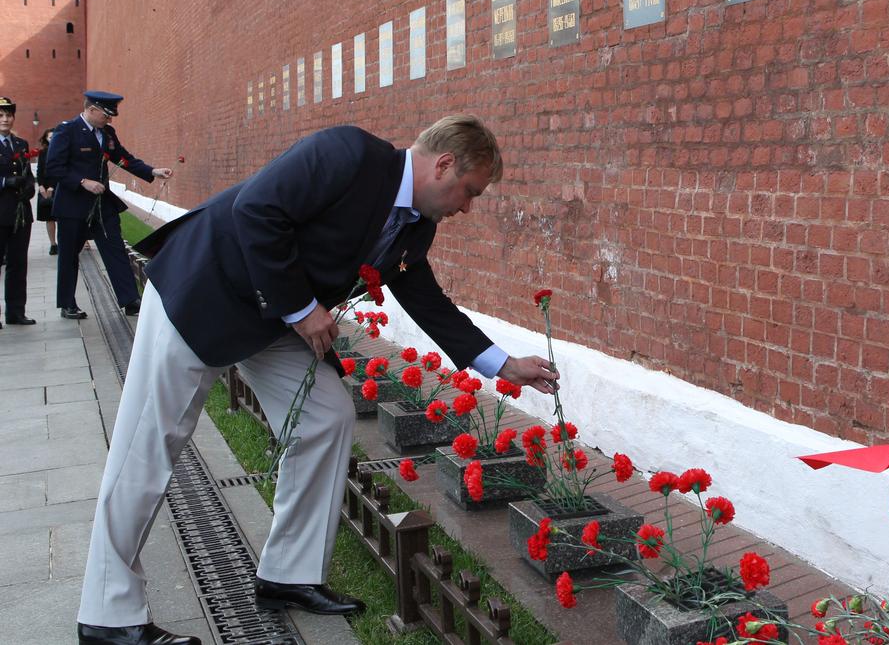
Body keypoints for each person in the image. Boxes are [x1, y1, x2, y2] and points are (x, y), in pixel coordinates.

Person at [76, 115, 559, 645]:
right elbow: (256, 210)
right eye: (470, 192)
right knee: (147, 446)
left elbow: (426, 300)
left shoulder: (416, 224)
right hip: (203, 293)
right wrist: (304, 310)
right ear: (444, 164)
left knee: (325, 415)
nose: (466, 208)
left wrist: (504, 365)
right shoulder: (348, 153)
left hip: (273, 317)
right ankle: (107, 616)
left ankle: (288, 575)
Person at [45, 90, 174, 320]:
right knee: (69, 255)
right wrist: (83, 182)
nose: (110, 120)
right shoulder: (67, 131)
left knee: (115, 250)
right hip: (73, 207)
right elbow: (53, 168)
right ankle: (67, 303)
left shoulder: (107, 133)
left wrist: (153, 171)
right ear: (91, 109)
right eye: (106, 115)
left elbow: (124, 159)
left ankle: (130, 300)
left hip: (102, 205)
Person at [0, 97, 37, 326]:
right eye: (1, 115)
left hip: (20, 213)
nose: (5, 119)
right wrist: (5, 182)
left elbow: (27, 173)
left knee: (18, 264)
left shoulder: (21, 144)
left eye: (8, 115)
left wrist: (30, 187)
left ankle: (15, 312)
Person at [35, 127, 57, 255]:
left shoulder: (63, 151)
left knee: (63, 218)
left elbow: (62, 171)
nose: (52, 139)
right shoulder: (43, 153)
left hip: (59, 188)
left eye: (54, 137)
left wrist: (53, 186)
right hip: (45, 189)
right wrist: (41, 186)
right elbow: (39, 170)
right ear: (46, 139)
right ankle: (53, 244)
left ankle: (66, 243)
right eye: (50, 137)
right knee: (49, 218)